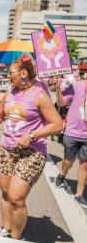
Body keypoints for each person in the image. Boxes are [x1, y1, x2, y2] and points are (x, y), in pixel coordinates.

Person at [0, 54, 62, 239]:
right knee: (5, 193)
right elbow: (0, 114)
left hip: (32, 152)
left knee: (16, 197)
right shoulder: (11, 92)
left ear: (24, 73)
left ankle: (15, 238)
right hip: (7, 149)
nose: (8, 75)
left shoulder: (40, 96)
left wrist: (32, 135)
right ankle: (6, 229)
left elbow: (58, 124)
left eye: (11, 72)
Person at [54, 76, 87, 208]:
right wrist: (57, 88)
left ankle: (79, 195)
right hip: (73, 131)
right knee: (68, 161)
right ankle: (62, 173)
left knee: (85, 165)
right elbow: (62, 102)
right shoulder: (77, 85)